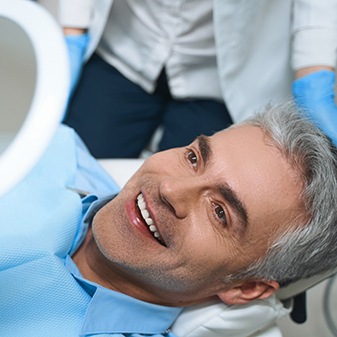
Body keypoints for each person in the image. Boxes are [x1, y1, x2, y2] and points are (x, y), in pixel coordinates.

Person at [1, 101, 337, 336]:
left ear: (246, 287)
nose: (171, 189)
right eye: (193, 158)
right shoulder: (53, 149)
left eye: (219, 212)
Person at [41, 0, 337, 157]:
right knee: (68, 170)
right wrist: (72, 29)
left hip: (220, 74)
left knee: (189, 209)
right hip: (126, 43)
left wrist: (315, 67)